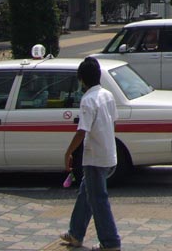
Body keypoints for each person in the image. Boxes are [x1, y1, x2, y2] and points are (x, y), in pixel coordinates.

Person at [60, 57, 122, 251]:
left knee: (98, 200)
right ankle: (76, 233)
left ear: (82, 80)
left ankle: (110, 242)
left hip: (95, 157)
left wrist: (68, 152)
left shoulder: (88, 100)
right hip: (108, 154)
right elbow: (113, 122)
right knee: (86, 195)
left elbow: (81, 131)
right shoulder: (107, 95)